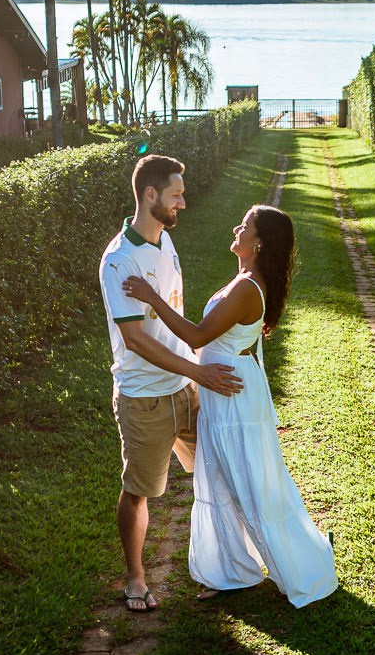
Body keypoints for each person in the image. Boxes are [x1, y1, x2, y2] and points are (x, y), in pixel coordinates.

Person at [122, 204, 338, 608]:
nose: (236, 228)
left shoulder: (247, 286)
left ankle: (300, 565)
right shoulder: (245, 279)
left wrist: (151, 297)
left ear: (259, 242)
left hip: (231, 392)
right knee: (222, 478)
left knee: (249, 483)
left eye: (246, 225)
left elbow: (198, 336)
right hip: (225, 389)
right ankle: (233, 570)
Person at [99, 154, 243, 613]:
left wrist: (196, 363)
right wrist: (198, 371)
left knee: (219, 470)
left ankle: (227, 566)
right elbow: (136, 340)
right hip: (145, 398)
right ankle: (136, 579)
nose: (184, 201)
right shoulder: (119, 260)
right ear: (150, 195)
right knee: (138, 490)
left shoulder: (165, 241)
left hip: (186, 389)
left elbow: (172, 311)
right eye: (177, 194)